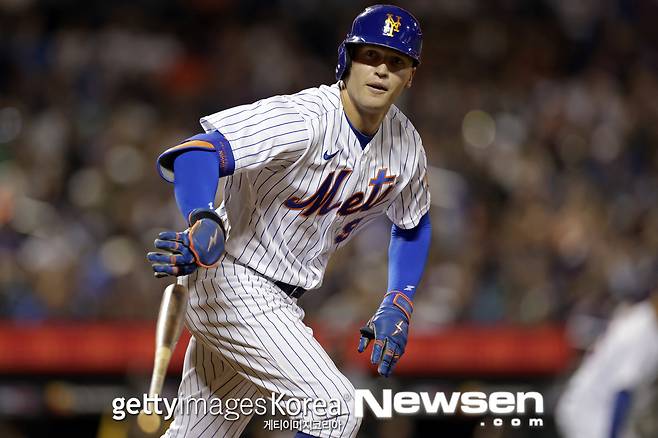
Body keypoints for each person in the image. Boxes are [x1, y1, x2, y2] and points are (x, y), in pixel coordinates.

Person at [147, 5, 431, 437]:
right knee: (335, 410)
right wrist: (202, 216)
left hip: (280, 298)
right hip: (232, 279)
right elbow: (196, 154)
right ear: (346, 59)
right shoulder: (304, 118)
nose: (381, 70)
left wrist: (399, 298)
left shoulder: (405, 145)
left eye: (396, 62)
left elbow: (413, 224)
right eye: (370, 56)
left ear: (410, 76)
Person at [556, 290, 658, 438]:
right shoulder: (641, 333)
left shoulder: (642, 317)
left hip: (598, 408)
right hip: (592, 411)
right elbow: (623, 391)